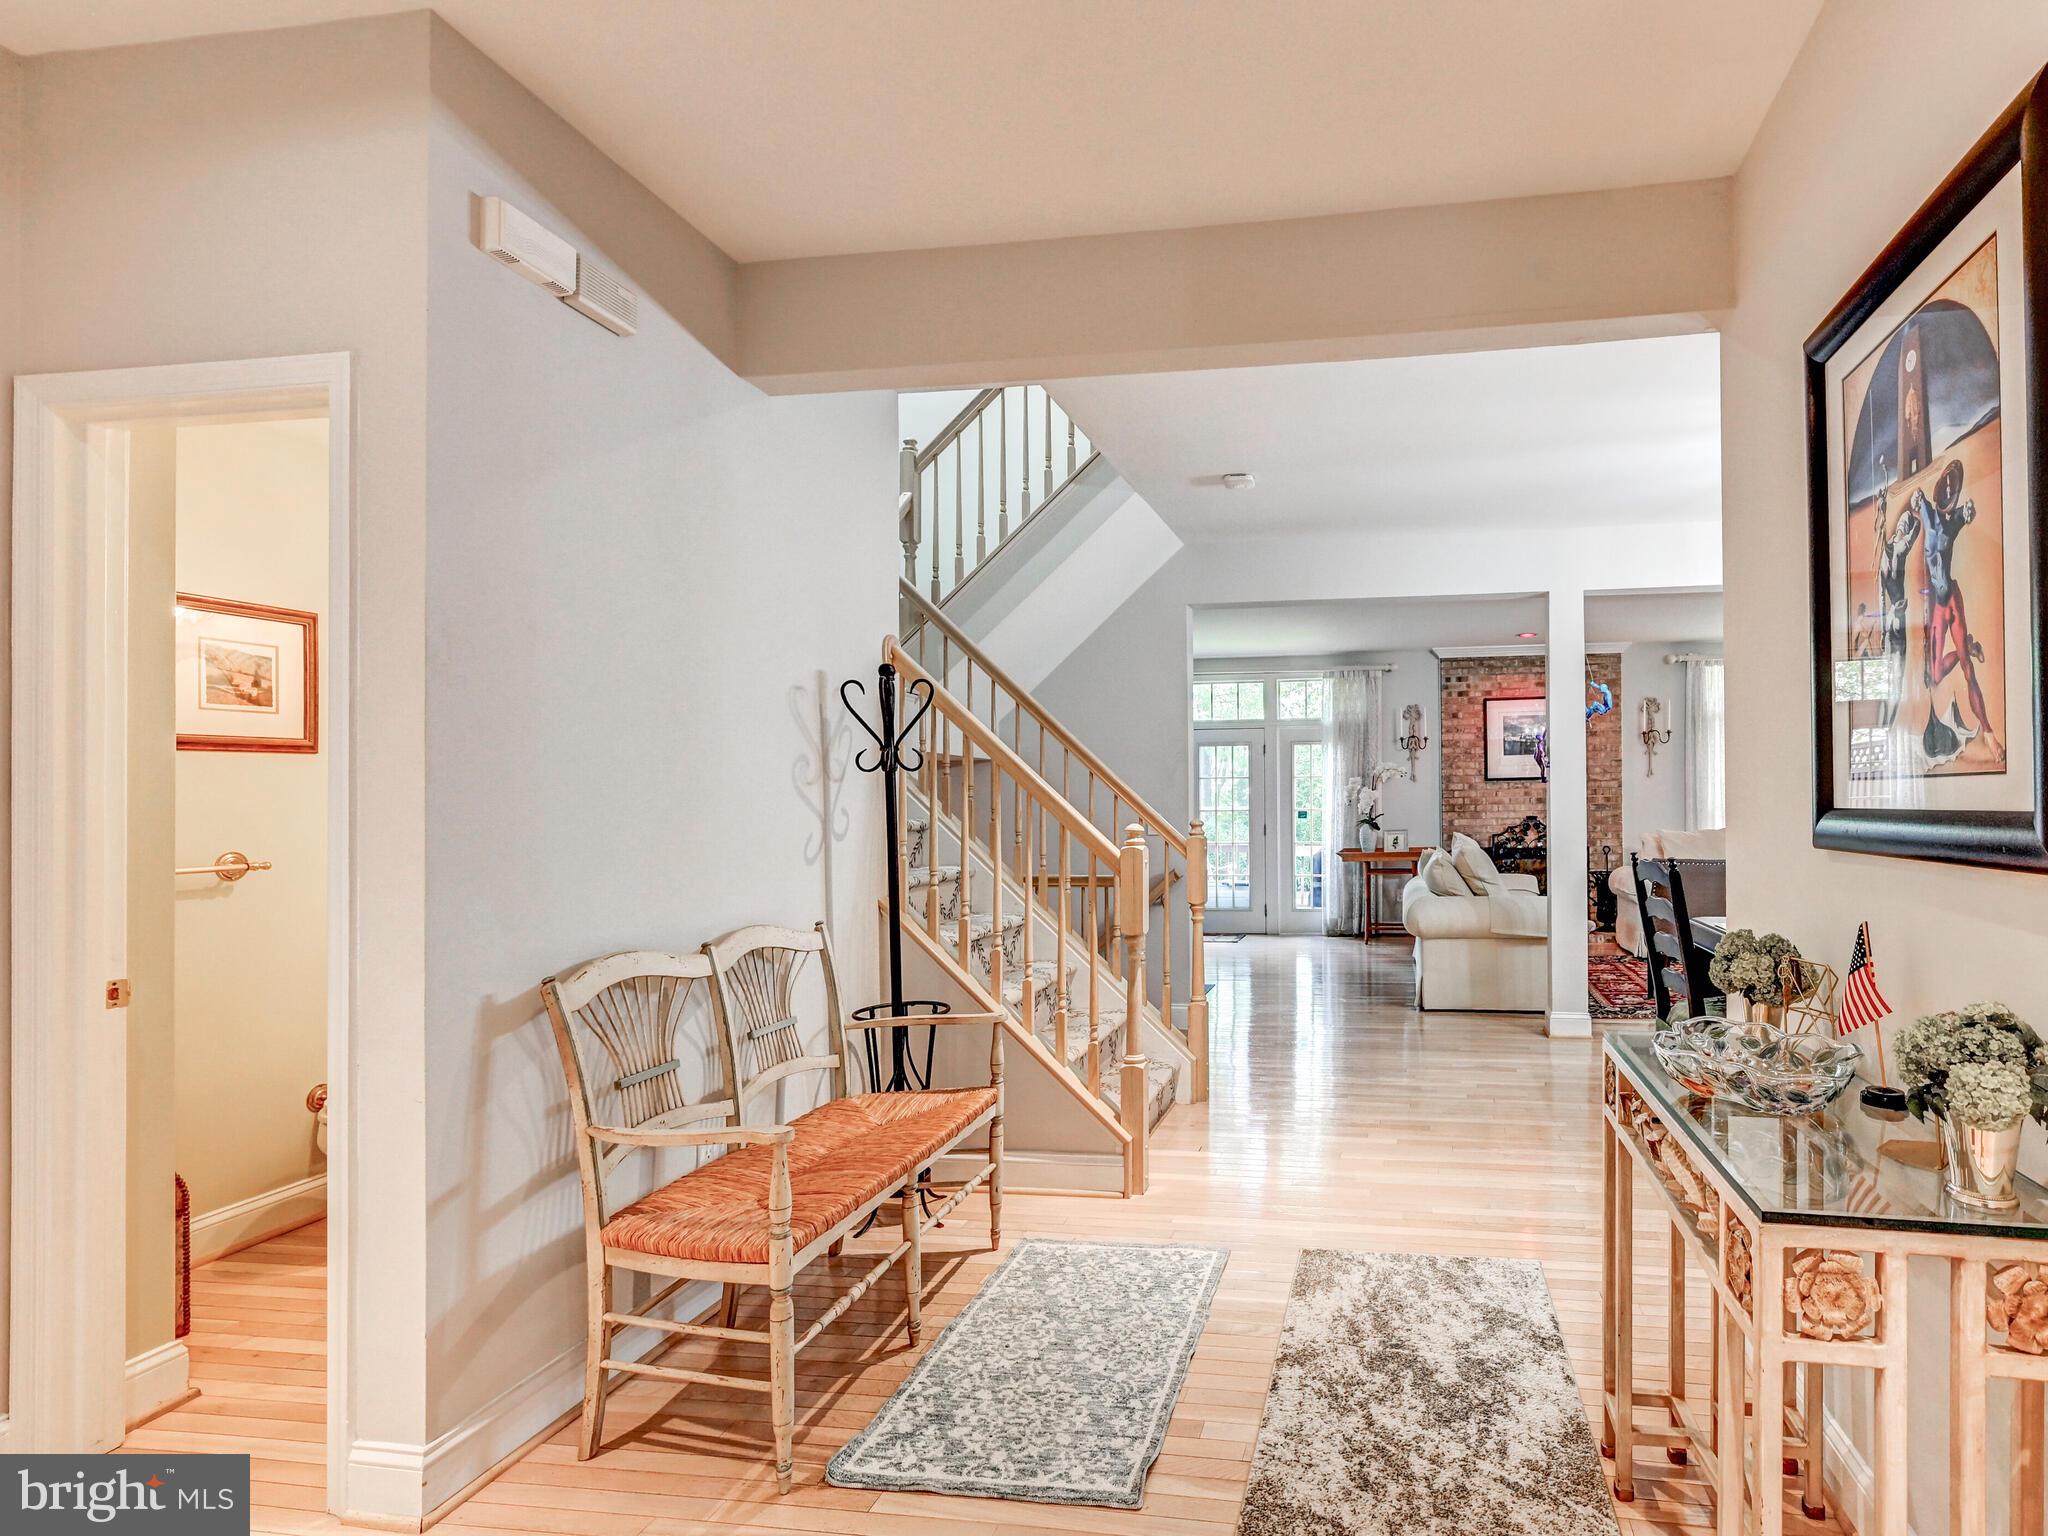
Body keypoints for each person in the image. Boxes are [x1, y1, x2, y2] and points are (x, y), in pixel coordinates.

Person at [1913, 458, 2003, 765]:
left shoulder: (1954, 520)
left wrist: (1968, 512)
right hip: (1938, 606)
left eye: (1953, 491)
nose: (1948, 494)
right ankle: (1970, 646)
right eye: (1946, 487)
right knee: (1935, 674)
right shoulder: (1927, 511)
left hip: (1951, 598)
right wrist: (1915, 501)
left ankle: (1988, 731)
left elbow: (1967, 514)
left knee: (1968, 670)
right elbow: (1917, 502)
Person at [1870, 463, 1920, 729]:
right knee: (1897, 680)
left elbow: (1880, 596)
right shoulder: (1900, 548)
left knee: (1887, 678)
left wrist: (1881, 629)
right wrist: (1915, 515)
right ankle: (1887, 726)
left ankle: (1883, 724)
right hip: (1898, 615)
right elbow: (1916, 530)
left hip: (1888, 619)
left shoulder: (1884, 556)